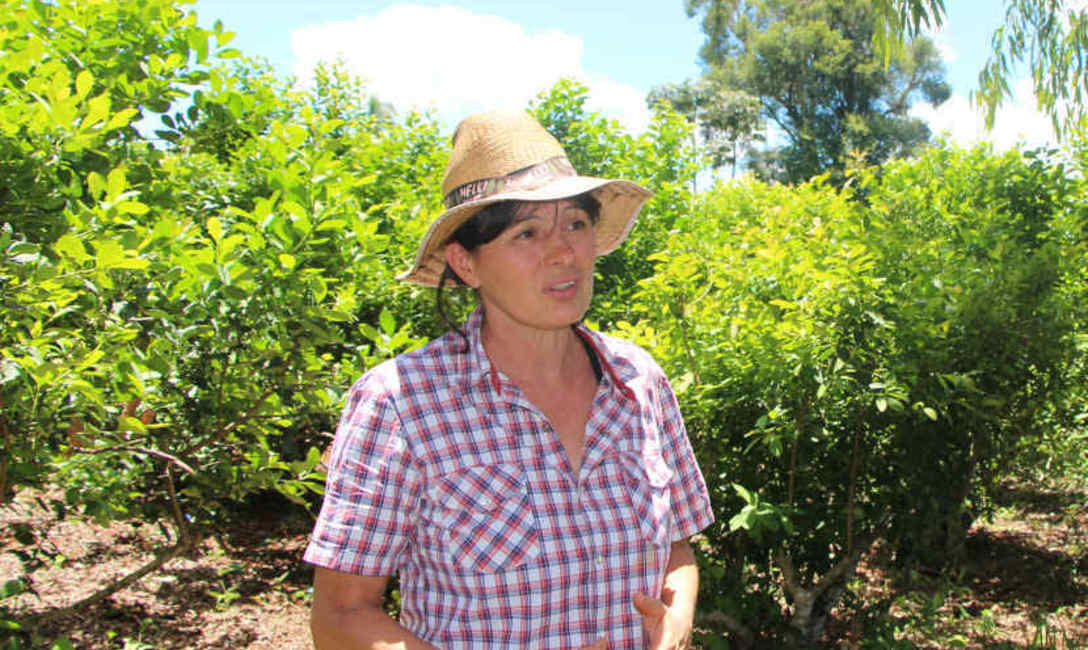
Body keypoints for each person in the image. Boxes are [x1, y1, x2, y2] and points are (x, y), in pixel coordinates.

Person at [304, 110, 714, 649]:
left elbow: (677, 547)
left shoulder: (640, 382)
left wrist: (677, 618)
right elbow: (340, 616)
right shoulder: (401, 403)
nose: (564, 252)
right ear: (466, 263)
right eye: (527, 232)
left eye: (576, 224)